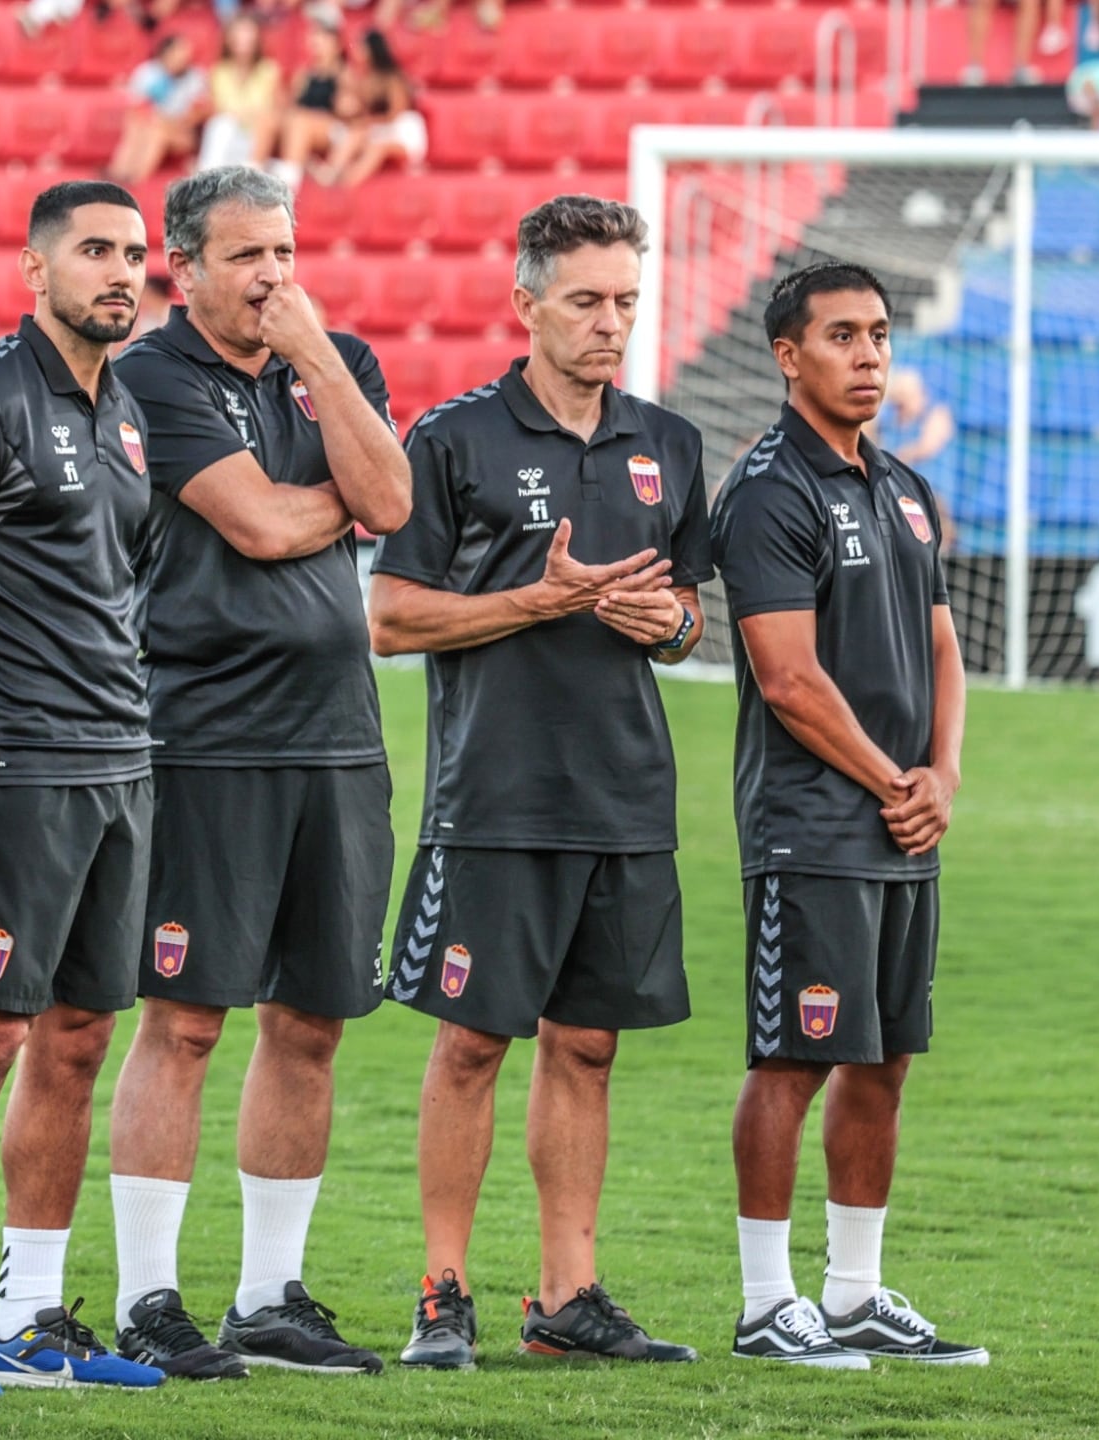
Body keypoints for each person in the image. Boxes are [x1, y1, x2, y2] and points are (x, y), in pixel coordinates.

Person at [368, 194, 711, 1370]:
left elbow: (689, 622)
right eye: (585, 301)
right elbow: (391, 618)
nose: (610, 322)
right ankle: (442, 1291)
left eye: (624, 300)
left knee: (590, 1047)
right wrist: (538, 600)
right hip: (496, 795)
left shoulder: (670, 441)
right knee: (472, 1042)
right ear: (525, 304)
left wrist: (660, 622)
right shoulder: (454, 438)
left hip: (625, 795)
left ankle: (569, 1297)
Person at [102, 165, 411, 1379]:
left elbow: (388, 497)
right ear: (184, 266)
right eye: (246, 256)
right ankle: (147, 1298)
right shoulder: (150, 378)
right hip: (205, 735)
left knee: (315, 1021)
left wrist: (321, 364)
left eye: (284, 250)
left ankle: (270, 1295)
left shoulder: (334, 362)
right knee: (184, 1021)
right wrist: (331, 497)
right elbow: (264, 526)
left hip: (339, 737)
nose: (274, 275)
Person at [0, 180, 165, 1394]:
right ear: (31, 267)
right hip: (13, 765)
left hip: (121, 761)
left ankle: (36, 1314)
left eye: (133, 253)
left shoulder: (125, 409)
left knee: (79, 1039)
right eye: (94, 250)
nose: (120, 270)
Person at [712, 263, 988, 1371]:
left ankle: (857, 1291)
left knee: (884, 1059)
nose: (869, 356)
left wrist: (945, 778)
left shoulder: (903, 486)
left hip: (902, 824)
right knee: (794, 1059)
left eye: (878, 335)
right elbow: (787, 680)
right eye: (842, 336)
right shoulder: (766, 492)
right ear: (788, 356)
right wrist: (893, 781)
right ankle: (765, 1300)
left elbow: (941, 648)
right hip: (811, 825)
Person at [108, 34, 208, 185]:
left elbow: (199, 113)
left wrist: (167, 121)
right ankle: (119, 172)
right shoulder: (147, 72)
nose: (185, 56)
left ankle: (136, 179)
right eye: (179, 52)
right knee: (136, 123)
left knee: (157, 130)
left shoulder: (195, 77)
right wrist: (155, 118)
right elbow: (136, 106)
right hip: (150, 123)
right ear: (165, 54)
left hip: (182, 132)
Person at [331, 31, 423, 187]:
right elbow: (360, 109)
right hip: (377, 128)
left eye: (361, 47)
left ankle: (349, 181)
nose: (356, 51)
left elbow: (396, 113)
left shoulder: (393, 77)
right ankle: (331, 172)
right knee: (355, 134)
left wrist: (368, 121)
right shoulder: (364, 78)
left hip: (400, 130)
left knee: (377, 147)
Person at [195, 13, 281, 172]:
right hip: (226, 132)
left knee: (264, 123)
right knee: (221, 125)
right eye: (239, 34)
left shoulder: (269, 70)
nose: (243, 40)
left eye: (248, 34)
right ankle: (209, 174)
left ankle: (252, 171)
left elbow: (275, 111)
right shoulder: (218, 71)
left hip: (256, 136)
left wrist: (248, 116)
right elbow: (213, 108)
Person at [271, 24, 347, 188]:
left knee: (301, 121)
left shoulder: (344, 74)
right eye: (315, 40)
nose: (318, 45)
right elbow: (293, 104)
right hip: (304, 123)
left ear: (336, 45)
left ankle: (289, 180)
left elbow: (346, 111)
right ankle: (254, 165)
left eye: (323, 40)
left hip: (333, 128)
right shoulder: (304, 74)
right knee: (271, 117)